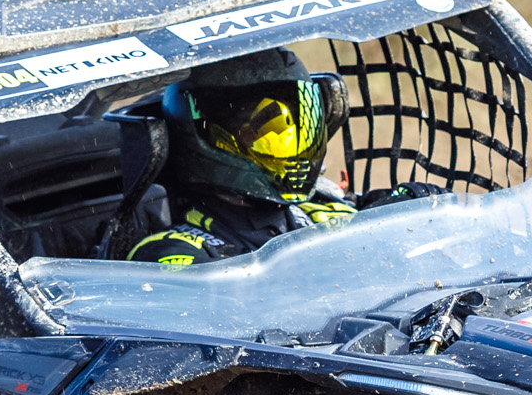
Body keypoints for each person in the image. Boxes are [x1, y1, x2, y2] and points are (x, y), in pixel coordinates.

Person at [121, 49, 357, 265]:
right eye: (257, 130)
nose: (283, 140)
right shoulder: (171, 252)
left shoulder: (324, 215)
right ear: (209, 136)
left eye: (290, 128)